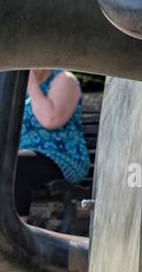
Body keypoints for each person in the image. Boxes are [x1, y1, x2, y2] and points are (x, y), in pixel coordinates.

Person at [15, 69, 89, 220]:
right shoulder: (19, 89)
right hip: (27, 155)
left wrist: (31, 84)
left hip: (62, 157)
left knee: (16, 164)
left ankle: (14, 234)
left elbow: (51, 120)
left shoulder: (64, 79)